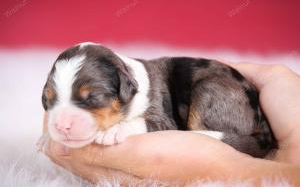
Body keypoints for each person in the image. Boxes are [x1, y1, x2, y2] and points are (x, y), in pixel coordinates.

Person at [42, 62, 300, 185]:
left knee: (208, 92)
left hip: (229, 108)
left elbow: (160, 121)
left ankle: (220, 135)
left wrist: (231, 168)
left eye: (91, 100)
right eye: (51, 102)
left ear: (125, 88)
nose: (63, 121)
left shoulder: (145, 92)